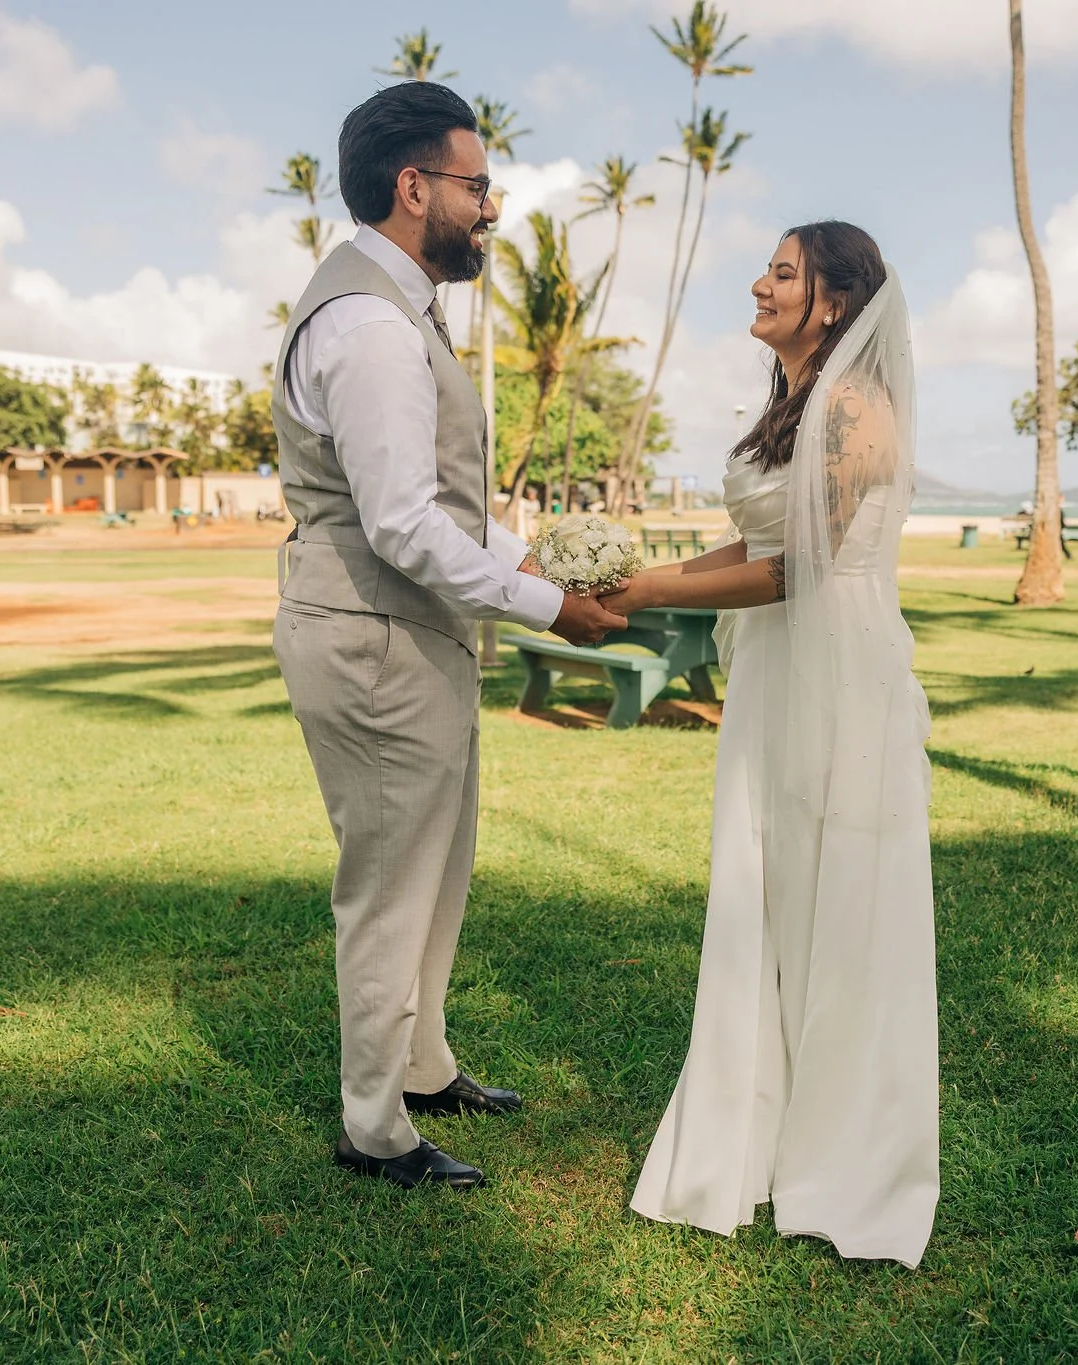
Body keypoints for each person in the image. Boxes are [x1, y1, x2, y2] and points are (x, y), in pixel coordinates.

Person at [269, 82, 628, 1190]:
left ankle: (421, 1064)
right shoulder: (371, 327)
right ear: (411, 186)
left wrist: (533, 555)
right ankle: (374, 1129)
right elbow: (401, 525)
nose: (490, 209)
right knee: (387, 882)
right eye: (476, 187)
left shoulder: (399, 310)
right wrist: (547, 607)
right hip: (373, 636)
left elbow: (445, 509)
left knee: (437, 865)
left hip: (406, 634)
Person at [601, 222, 939, 1266]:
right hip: (774, 672)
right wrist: (633, 572)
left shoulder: (852, 410)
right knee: (763, 883)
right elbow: (754, 542)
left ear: (833, 303)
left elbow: (797, 569)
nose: (758, 281)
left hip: (836, 671)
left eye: (782, 272)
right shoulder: (793, 409)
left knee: (838, 897)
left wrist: (649, 592)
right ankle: (754, 1124)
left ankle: (847, 1156)